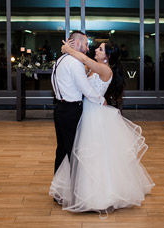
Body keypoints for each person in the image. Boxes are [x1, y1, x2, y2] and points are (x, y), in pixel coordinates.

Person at [50, 38, 154, 214]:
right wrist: (72, 50)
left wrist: (67, 48)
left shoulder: (105, 69)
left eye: (100, 49)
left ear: (107, 56)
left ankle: (98, 194)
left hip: (95, 114)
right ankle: (81, 189)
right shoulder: (91, 68)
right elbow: (80, 70)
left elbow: (83, 59)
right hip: (86, 111)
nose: (96, 50)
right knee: (83, 152)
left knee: (95, 153)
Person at [49, 31, 106, 174]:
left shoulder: (61, 60)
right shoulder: (75, 63)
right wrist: (101, 100)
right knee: (73, 152)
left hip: (60, 109)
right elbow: (86, 89)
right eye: (86, 44)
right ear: (78, 43)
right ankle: (75, 190)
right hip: (71, 111)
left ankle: (59, 190)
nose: (88, 48)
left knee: (61, 149)